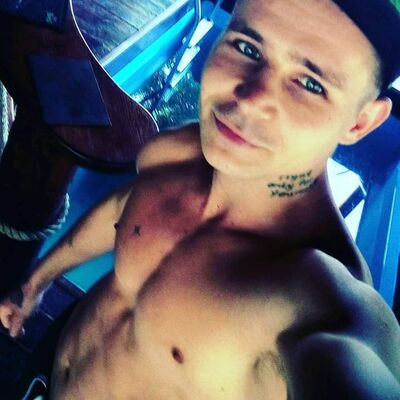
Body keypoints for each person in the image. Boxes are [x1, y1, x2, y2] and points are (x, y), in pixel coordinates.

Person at [1, 0, 400, 398]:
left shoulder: (318, 302)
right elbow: (123, 212)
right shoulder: (175, 153)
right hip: (47, 366)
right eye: (246, 47)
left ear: (360, 121)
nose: (250, 98)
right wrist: (36, 283)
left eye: (311, 84)